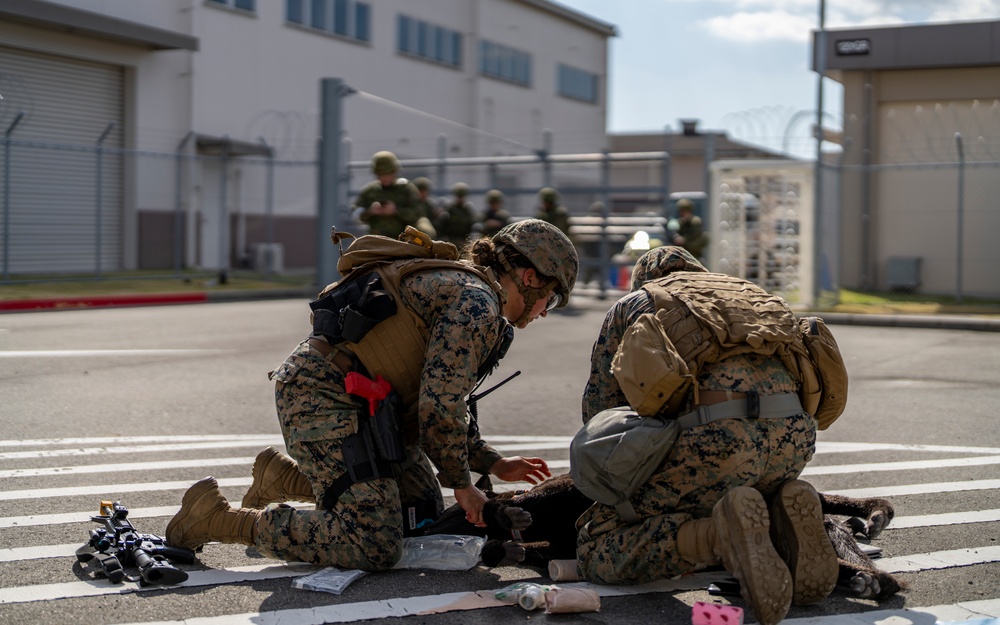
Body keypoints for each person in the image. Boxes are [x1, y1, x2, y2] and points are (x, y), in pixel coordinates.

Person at [166, 219, 580, 573]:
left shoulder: (468, 289)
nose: (545, 310)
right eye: (552, 297)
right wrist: (463, 485)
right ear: (530, 278)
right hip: (322, 397)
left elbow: (434, 400)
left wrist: (491, 461)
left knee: (417, 515)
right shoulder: (476, 305)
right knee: (375, 543)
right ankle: (218, 519)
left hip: (364, 405)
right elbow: (439, 407)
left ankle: (282, 478)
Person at [576, 246, 838, 625]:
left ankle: (718, 535)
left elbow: (600, 415)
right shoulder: (750, 294)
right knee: (740, 479)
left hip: (717, 445)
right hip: (794, 442)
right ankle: (778, 505)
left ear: (644, 279)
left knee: (596, 545)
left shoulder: (638, 303)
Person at [352, 151, 423, 239]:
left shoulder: (406, 189)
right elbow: (356, 213)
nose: (385, 177)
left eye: (388, 173)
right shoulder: (370, 191)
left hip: (403, 240)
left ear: (394, 171)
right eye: (381, 174)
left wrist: (396, 211)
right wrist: (370, 211)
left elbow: (419, 213)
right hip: (376, 239)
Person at [435, 182, 479, 247]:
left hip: (464, 241)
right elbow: (440, 227)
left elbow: (474, 225)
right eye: (459, 196)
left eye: (462, 196)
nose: (460, 198)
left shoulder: (468, 210)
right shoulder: (449, 209)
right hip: (450, 240)